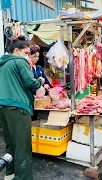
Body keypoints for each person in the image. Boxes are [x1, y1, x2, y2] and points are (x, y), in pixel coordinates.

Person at [0, 37, 45, 180]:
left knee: (11, 144)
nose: (28, 56)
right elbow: (30, 82)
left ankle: (10, 175)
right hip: (18, 108)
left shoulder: (2, 64)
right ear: (16, 51)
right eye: (26, 52)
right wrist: (40, 81)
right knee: (23, 147)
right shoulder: (19, 61)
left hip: (3, 108)